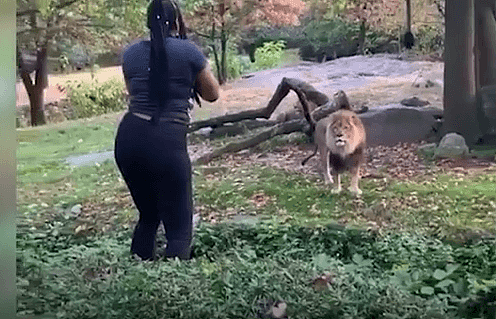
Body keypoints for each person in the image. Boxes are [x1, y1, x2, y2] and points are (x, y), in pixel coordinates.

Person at [114, 0, 220, 261]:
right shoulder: (188, 52)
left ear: (148, 22)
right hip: (167, 141)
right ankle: (174, 286)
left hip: (129, 139)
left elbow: (133, 91)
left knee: (149, 215)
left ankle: (139, 274)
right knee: (180, 227)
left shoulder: (131, 54)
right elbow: (212, 94)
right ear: (175, 23)